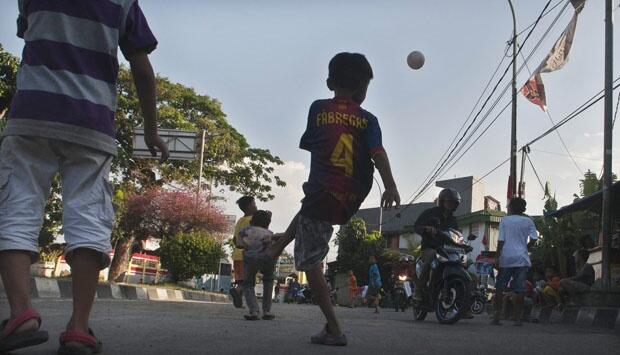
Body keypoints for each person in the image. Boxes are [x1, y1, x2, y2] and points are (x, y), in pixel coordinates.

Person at [0, 2, 168, 354]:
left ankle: (21, 316)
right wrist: (151, 131)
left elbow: (28, 30)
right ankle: (78, 329)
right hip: (91, 121)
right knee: (88, 218)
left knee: (17, 209)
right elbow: (142, 69)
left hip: (32, 114)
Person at [267, 52, 400, 346]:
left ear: (329, 82)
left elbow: (314, 145)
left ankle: (336, 329)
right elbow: (378, 153)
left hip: (324, 188)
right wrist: (390, 185)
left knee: (310, 262)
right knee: (308, 211)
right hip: (351, 193)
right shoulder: (368, 119)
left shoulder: (317, 109)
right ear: (363, 89)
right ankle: (276, 249)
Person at [492, 197, 538, 327]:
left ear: (511, 207)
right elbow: (534, 239)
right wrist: (525, 248)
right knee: (520, 289)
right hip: (521, 258)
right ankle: (517, 319)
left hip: (506, 258)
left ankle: (497, 317)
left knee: (500, 288)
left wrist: (497, 256)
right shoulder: (528, 221)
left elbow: (501, 240)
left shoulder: (505, 220)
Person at [412, 188, 461, 302]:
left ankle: (463, 302)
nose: (451, 204)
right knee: (431, 257)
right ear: (442, 201)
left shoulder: (453, 220)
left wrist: (463, 242)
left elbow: (457, 234)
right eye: (449, 201)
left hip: (448, 250)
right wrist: (426, 228)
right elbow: (416, 226)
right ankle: (418, 289)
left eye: (454, 202)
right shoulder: (430, 213)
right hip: (430, 247)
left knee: (462, 262)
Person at [238, 210, 276, 321]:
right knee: (268, 281)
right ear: (267, 222)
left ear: (252, 220)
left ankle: (254, 311)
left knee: (248, 284)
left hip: (251, 259)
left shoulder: (245, 231)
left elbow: (240, 244)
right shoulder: (270, 233)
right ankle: (267, 311)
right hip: (267, 260)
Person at [230, 196, 258, 308]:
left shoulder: (240, 221)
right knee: (247, 282)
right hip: (246, 254)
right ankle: (237, 291)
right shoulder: (252, 220)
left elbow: (235, 239)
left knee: (241, 280)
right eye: (254, 204)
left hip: (237, 254)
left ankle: (238, 302)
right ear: (248, 207)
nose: (256, 206)